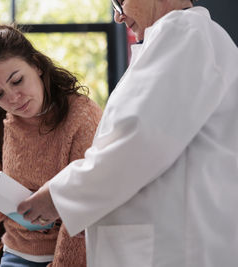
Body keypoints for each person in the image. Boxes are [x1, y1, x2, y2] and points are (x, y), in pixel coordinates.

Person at [17, 0, 238, 266]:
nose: (118, 16)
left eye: (119, 1)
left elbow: (139, 142)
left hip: (175, 250)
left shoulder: (186, 32)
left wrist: (58, 195)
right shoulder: (181, 39)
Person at [0, 24, 102, 267]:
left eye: (17, 81)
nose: (13, 98)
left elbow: (86, 205)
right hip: (14, 252)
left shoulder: (82, 115)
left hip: (74, 255)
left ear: (37, 65)